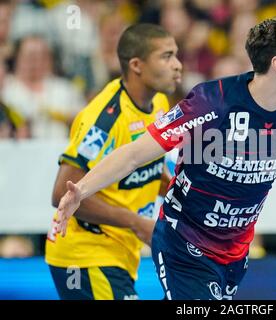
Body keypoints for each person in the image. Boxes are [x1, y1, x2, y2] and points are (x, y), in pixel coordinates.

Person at [55, 14, 276, 300]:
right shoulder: (213, 102)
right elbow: (135, 153)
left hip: (235, 252)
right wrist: (82, 191)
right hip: (183, 243)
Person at [45, 24, 182, 300]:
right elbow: (61, 194)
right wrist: (135, 222)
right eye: (166, 57)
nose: (177, 65)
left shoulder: (159, 104)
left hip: (119, 253)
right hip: (84, 256)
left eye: (176, 55)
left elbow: (149, 170)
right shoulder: (105, 120)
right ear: (136, 65)